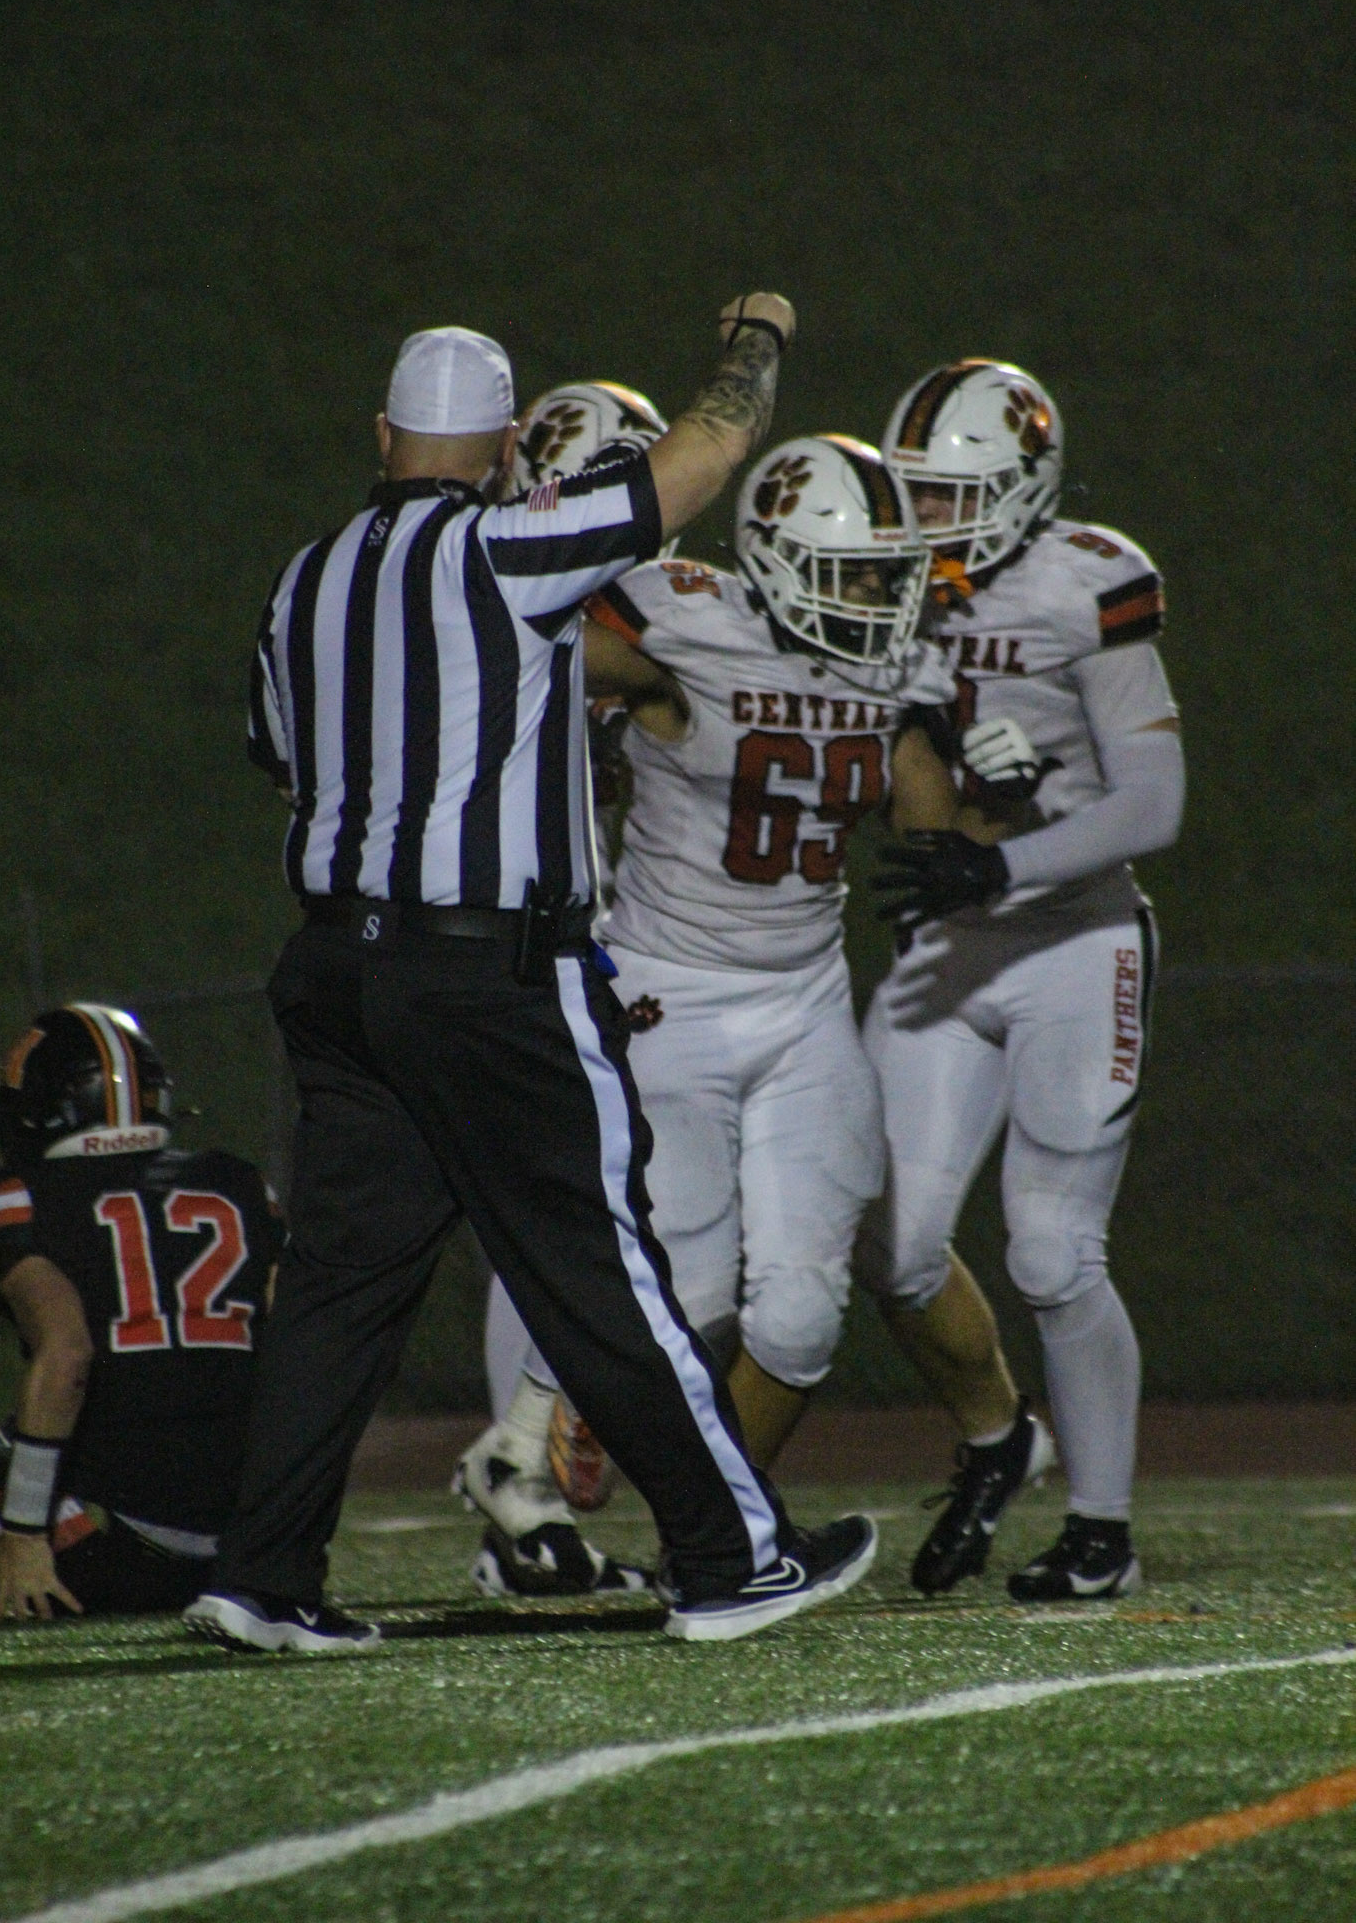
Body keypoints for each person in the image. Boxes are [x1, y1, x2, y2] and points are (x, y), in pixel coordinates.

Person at [185, 298, 878, 1654]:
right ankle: (731, 1557)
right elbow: (706, 450)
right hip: (485, 971)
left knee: (338, 1285)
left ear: (382, 434)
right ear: (507, 448)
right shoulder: (507, 545)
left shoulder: (305, 577)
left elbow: (276, 750)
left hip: (335, 968)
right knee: (598, 1259)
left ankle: (261, 1574)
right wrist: (757, 339)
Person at [466, 397, 1050, 1595]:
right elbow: (504, 657)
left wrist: (1001, 792)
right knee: (684, 1281)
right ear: (777, 561)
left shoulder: (894, 668)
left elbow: (935, 843)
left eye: (887, 574)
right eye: (852, 572)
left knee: (799, 1315)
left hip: (803, 1005)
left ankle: (716, 1541)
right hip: (665, 992)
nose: (877, 598)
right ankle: (531, 1440)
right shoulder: (686, 618)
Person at [864, 359, 1185, 1601]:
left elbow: (1153, 802)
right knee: (890, 1246)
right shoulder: (881, 582)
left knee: (1052, 1249)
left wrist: (1009, 852)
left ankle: (1102, 1530)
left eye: (957, 493)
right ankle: (1002, 1436)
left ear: (1025, 486)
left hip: (1075, 942)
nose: (931, 518)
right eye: (916, 492)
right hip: (951, 943)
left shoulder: (1085, 578)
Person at [0, 1005, 283, 1619]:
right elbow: (302, 1353)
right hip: (248, 1547)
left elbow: (67, 1354)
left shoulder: (21, 1196)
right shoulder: (240, 1183)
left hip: (118, 1542)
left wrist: (22, 1532)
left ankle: (33, 1567)